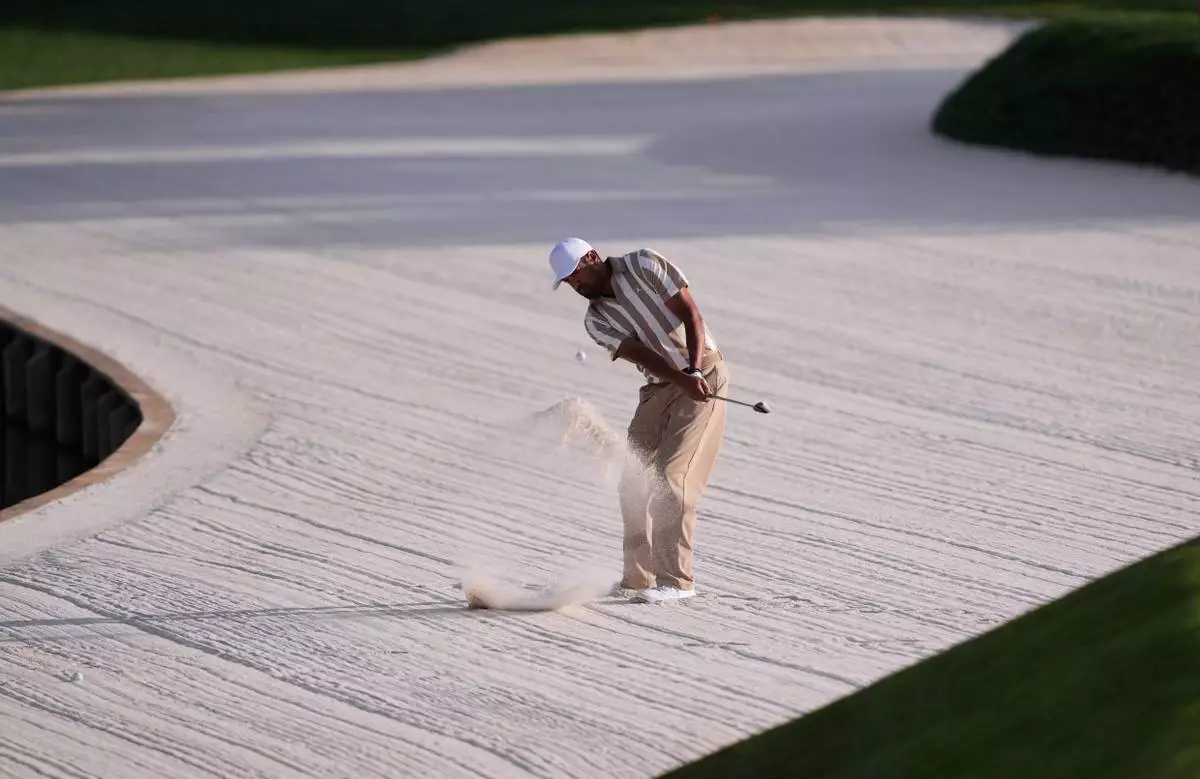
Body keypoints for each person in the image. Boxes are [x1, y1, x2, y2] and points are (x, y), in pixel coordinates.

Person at [548, 237, 729, 603]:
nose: (575, 285)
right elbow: (643, 356)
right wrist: (680, 378)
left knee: (671, 477)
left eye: (576, 275)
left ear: (592, 258)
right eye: (568, 282)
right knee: (632, 477)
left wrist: (693, 371)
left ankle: (677, 583)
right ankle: (638, 578)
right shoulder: (596, 320)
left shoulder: (643, 265)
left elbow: (691, 314)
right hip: (660, 385)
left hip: (705, 373)